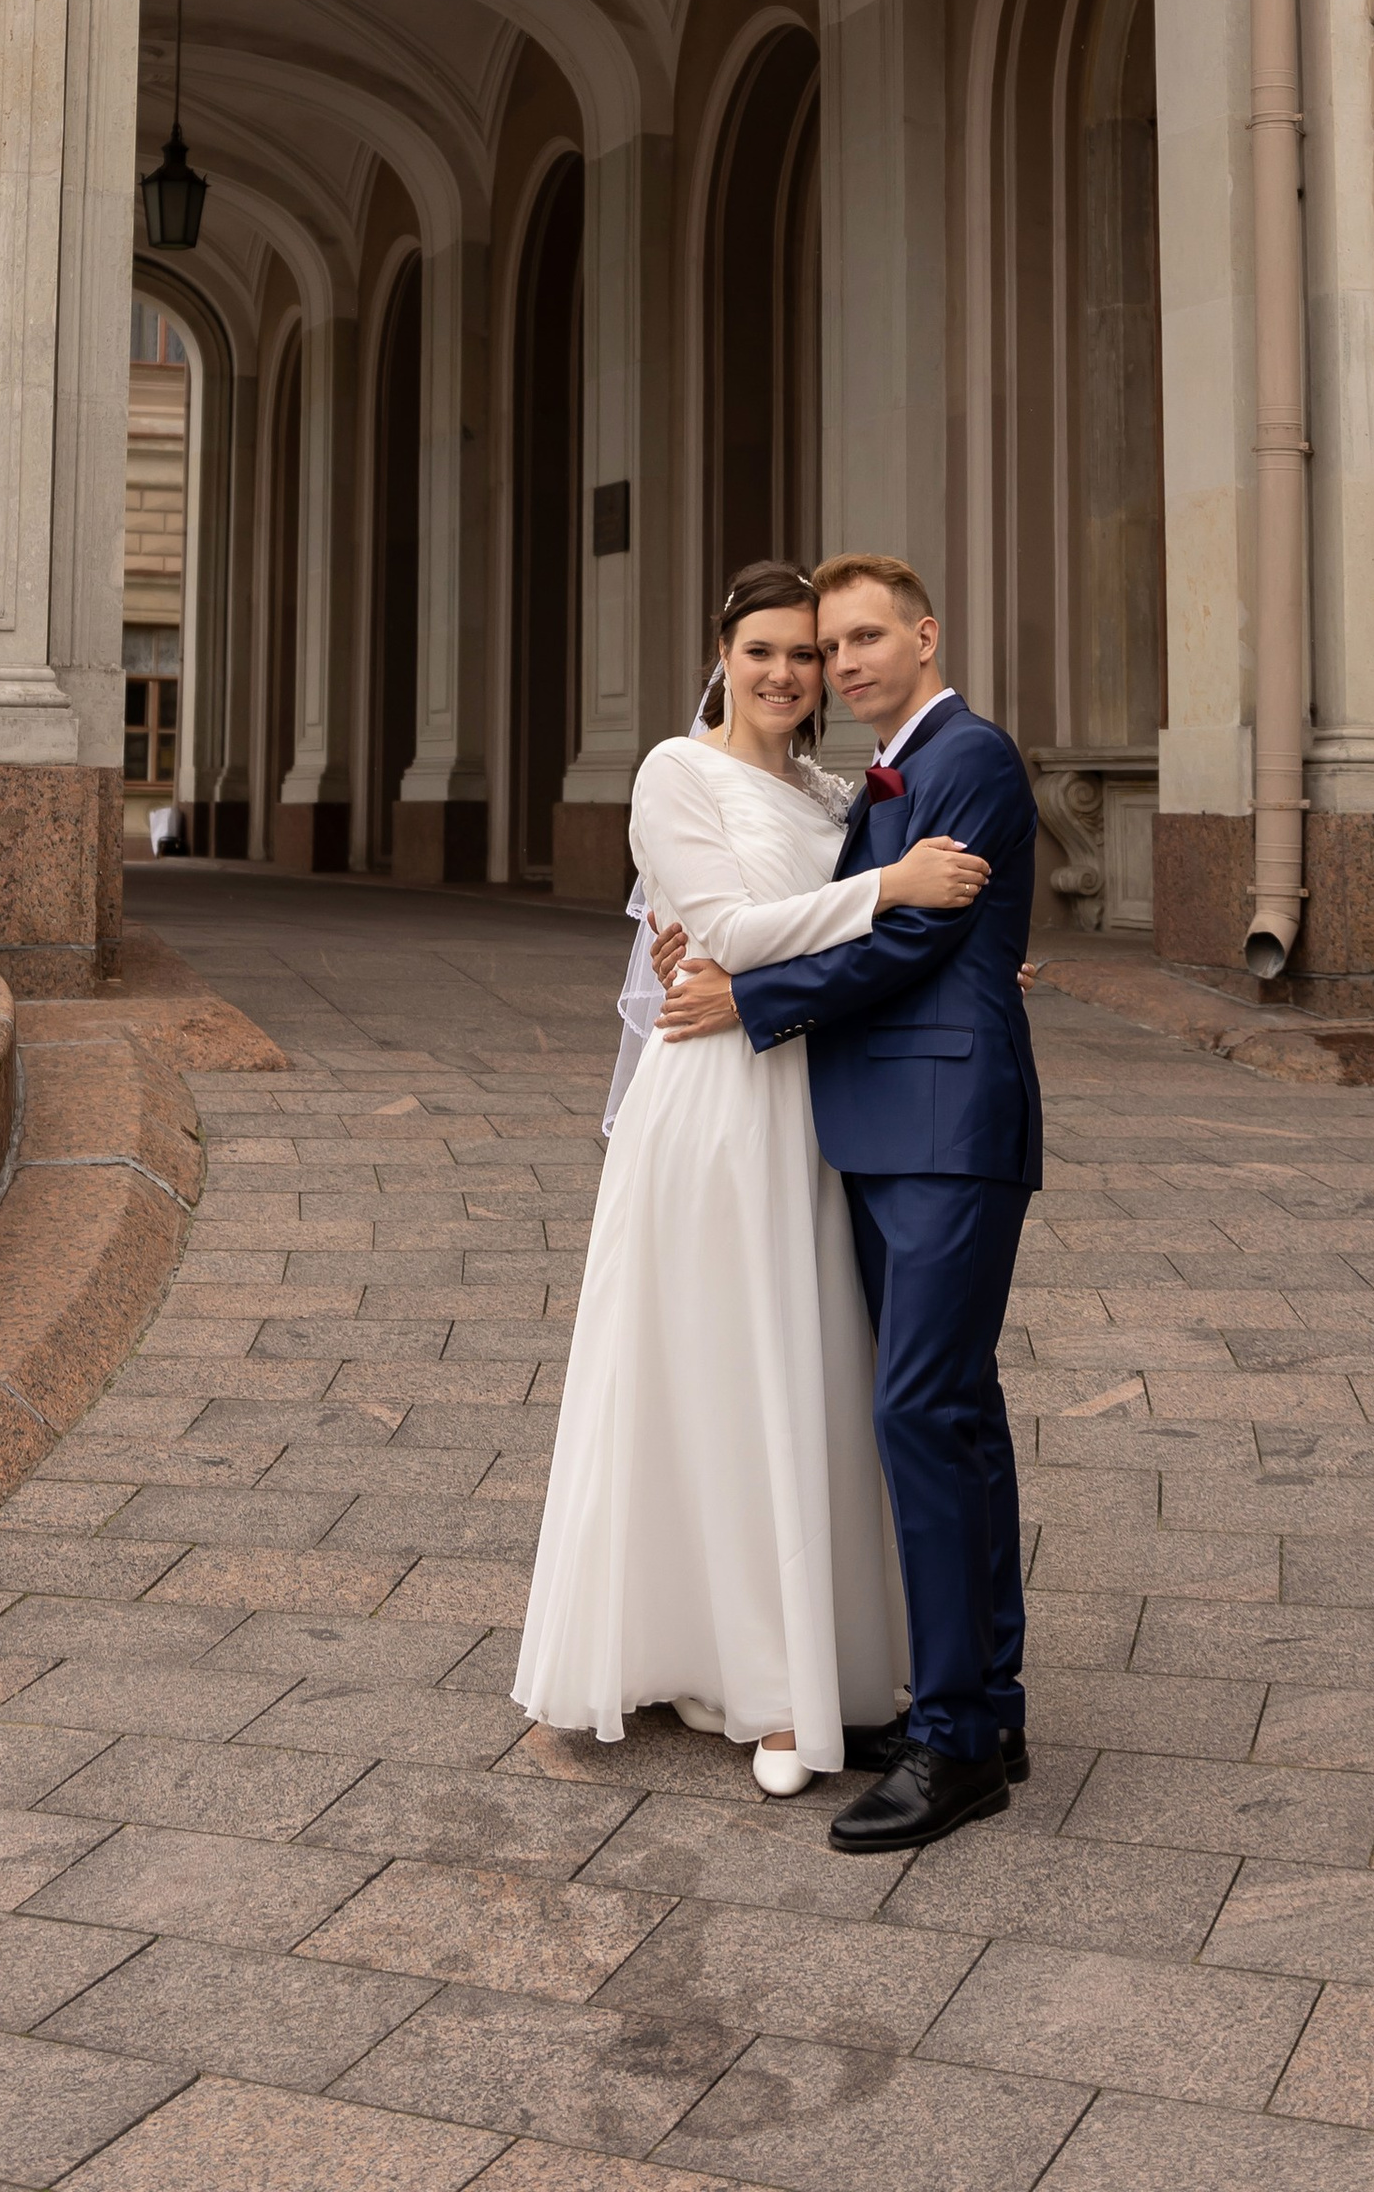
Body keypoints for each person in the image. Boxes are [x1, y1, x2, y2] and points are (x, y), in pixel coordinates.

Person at [514, 560, 988, 1792]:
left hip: (813, 1097)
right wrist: (890, 885)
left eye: (808, 653)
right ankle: (746, 1677)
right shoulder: (676, 774)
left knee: (807, 1370)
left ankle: (808, 1665)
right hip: (715, 1101)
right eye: (764, 650)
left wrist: (956, 953)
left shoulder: (836, 792)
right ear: (721, 656)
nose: (788, 673)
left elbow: (871, 945)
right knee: (715, 1365)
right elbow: (720, 935)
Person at [659, 552, 1041, 1857]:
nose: (847, 661)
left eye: (867, 636)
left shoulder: (967, 756)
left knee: (920, 1412)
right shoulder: (876, 780)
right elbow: (811, 908)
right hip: (879, 1125)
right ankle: (984, 1706)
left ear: (927, 635)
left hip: (943, 1127)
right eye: (835, 644)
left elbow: (909, 941)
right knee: (953, 1414)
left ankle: (952, 1747)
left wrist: (746, 1001)